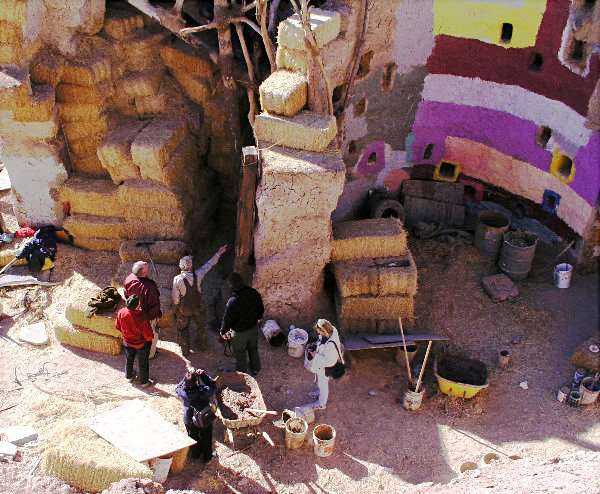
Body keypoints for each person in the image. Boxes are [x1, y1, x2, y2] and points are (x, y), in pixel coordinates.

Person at [172, 245, 228, 356]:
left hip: (184, 308)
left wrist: (177, 306)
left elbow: (175, 298)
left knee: (183, 328)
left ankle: (185, 350)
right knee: (201, 327)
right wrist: (219, 253)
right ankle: (202, 345)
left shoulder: (177, 279)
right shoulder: (198, 274)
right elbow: (209, 265)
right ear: (191, 266)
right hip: (197, 306)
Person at [219, 272, 264, 376]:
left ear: (231, 285)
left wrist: (223, 331)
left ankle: (242, 373)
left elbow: (227, 320)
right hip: (253, 328)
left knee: (240, 352)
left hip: (239, 333)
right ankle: (256, 368)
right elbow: (260, 308)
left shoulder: (232, 301)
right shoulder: (253, 292)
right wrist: (258, 318)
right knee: (253, 349)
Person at [175, 367, 217, 463]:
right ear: (197, 382)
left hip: (189, 418)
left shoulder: (183, 393)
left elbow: (177, 387)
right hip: (204, 417)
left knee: (192, 436)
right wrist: (203, 375)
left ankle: (195, 454)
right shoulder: (204, 391)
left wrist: (186, 377)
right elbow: (213, 386)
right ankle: (207, 457)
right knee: (206, 436)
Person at [124, 261, 162, 360]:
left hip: (134, 315)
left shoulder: (129, 279)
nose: (148, 270)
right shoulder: (150, 286)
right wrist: (156, 317)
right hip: (147, 317)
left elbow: (126, 295)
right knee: (151, 336)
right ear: (142, 273)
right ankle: (149, 355)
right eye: (146, 269)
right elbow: (154, 305)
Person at [303, 319, 343, 410]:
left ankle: (321, 404)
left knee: (323, 384)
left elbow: (330, 361)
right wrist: (316, 346)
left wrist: (315, 355)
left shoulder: (331, 346)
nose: (318, 333)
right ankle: (319, 391)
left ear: (323, 331)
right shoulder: (331, 331)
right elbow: (321, 342)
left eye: (319, 331)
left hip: (326, 368)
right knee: (321, 382)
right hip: (321, 366)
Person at [115, 295, 154, 387]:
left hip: (127, 342)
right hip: (141, 344)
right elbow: (148, 335)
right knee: (143, 362)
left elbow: (117, 326)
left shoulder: (121, 312)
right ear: (137, 306)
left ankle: (129, 376)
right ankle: (144, 382)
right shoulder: (141, 316)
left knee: (129, 359)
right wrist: (149, 340)